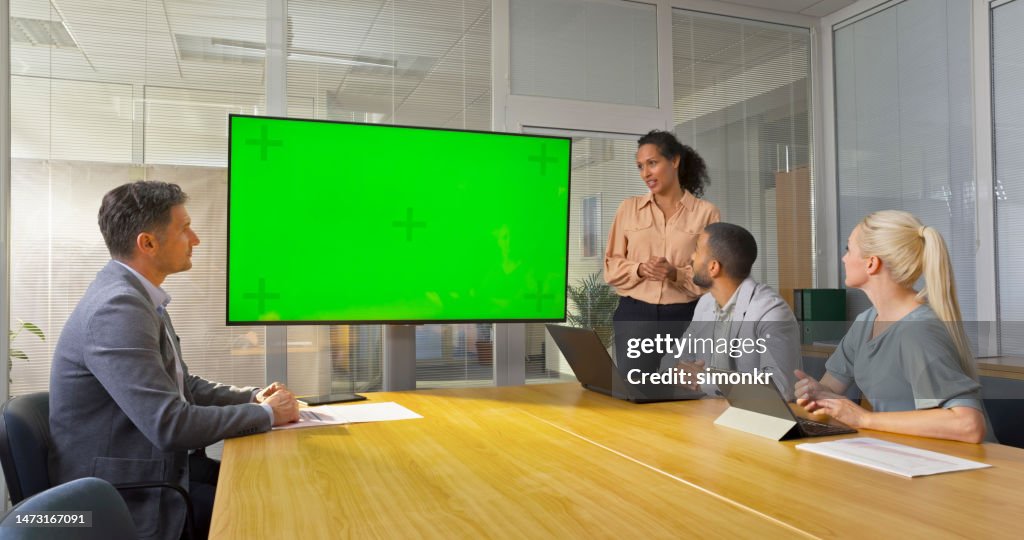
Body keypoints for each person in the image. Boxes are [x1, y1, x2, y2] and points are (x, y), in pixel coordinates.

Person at [49, 181, 301, 540]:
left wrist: (252, 397)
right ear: (147, 243)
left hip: (155, 472)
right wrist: (268, 415)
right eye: (184, 228)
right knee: (266, 510)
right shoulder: (118, 308)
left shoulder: (138, 296)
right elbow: (169, 425)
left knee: (269, 484)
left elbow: (183, 385)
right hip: (126, 494)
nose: (195, 239)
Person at [794, 210, 990, 443]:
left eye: (848, 249)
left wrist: (864, 419)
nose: (844, 258)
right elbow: (831, 389)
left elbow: (968, 425)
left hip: (963, 464)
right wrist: (815, 393)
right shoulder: (865, 322)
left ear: (872, 263)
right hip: (908, 454)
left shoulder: (918, 331)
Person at [605, 130, 720, 381]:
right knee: (634, 389)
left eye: (652, 163)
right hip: (634, 315)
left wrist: (675, 274)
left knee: (686, 388)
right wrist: (639, 269)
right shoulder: (628, 209)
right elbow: (611, 267)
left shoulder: (706, 213)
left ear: (675, 161)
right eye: (640, 166)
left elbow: (713, 274)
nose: (646, 173)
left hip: (685, 315)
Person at [663, 222, 800, 399]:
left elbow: (781, 388)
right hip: (708, 414)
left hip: (756, 419)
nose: (691, 257)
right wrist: (678, 371)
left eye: (697, 250)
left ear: (713, 267)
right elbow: (670, 362)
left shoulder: (770, 312)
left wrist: (705, 379)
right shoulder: (706, 304)